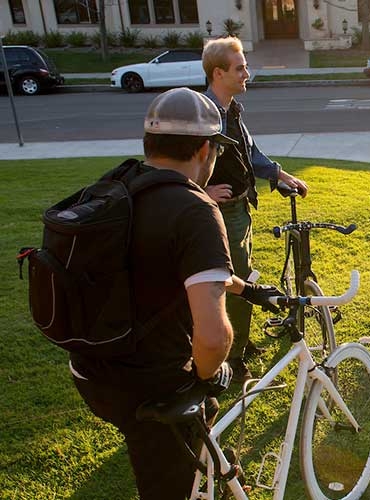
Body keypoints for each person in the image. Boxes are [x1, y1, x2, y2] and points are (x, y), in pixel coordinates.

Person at [70, 87, 284, 499]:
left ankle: (208, 472)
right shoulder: (196, 209)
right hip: (146, 384)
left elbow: (170, 265)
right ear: (205, 149)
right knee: (168, 484)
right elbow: (215, 338)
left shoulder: (118, 184)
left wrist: (245, 288)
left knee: (188, 436)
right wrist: (207, 377)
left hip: (92, 366)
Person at [202, 37, 309, 381]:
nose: (247, 73)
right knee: (231, 283)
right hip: (218, 216)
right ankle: (231, 361)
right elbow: (173, 164)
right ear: (219, 73)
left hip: (239, 211)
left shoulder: (231, 109)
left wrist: (281, 174)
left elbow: (250, 154)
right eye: (241, 68)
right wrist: (203, 190)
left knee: (244, 277)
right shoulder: (203, 114)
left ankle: (241, 343)